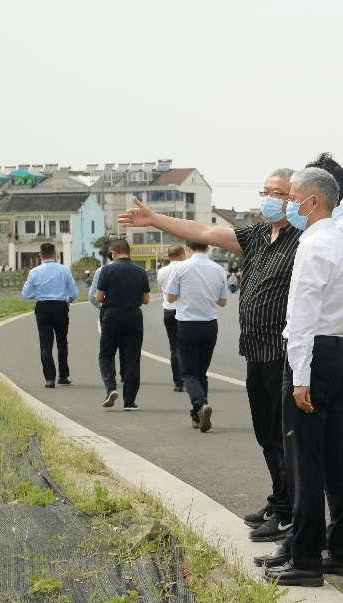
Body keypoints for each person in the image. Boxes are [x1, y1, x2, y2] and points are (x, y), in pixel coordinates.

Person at [119, 168, 301, 544]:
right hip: (255, 349)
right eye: (265, 190)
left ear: (296, 198)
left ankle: (290, 512)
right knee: (266, 434)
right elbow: (202, 232)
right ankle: (280, 499)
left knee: (286, 437)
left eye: (278, 193)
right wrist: (154, 219)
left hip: (283, 352)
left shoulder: (302, 239)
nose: (268, 198)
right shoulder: (255, 236)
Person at [263, 167, 343, 586]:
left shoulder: (314, 243)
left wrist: (299, 375)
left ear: (313, 202)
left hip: (314, 354)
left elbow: (301, 316)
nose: (287, 205)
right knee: (336, 457)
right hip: (340, 348)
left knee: (304, 460)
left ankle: (304, 559)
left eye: (292, 198)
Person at [163, 241, 228, 432]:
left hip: (187, 324)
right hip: (210, 325)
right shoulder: (218, 269)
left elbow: (170, 297)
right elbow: (223, 301)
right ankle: (197, 416)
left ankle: (201, 404)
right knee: (201, 372)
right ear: (207, 248)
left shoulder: (182, 268)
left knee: (189, 373)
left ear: (188, 249)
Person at [95, 238, 151, 410]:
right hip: (133, 316)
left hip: (111, 315)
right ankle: (129, 401)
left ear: (115, 252)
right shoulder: (140, 271)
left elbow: (98, 297)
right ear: (129, 252)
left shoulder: (107, 270)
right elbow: (146, 299)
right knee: (132, 358)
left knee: (106, 355)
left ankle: (111, 388)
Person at [21, 242, 79, 388]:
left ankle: (49, 378)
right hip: (60, 307)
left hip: (43, 308)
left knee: (45, 344)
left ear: (40, 256)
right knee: (62, 342)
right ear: (56, 254)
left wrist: (39, 295)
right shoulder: (64, 270)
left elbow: (26, 294)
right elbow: (74, 293)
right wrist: (67, 299)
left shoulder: (34, 272)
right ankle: (64, 376)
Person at [156, 244, 188, 392]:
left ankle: (178, 382)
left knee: (174, 347)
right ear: (182, 254)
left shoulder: (161, 271)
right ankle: (190, 378)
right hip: (185, 311)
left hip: (168, 311)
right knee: (187, 347)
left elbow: (161, 287)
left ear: (169, 256)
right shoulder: (187, 268)